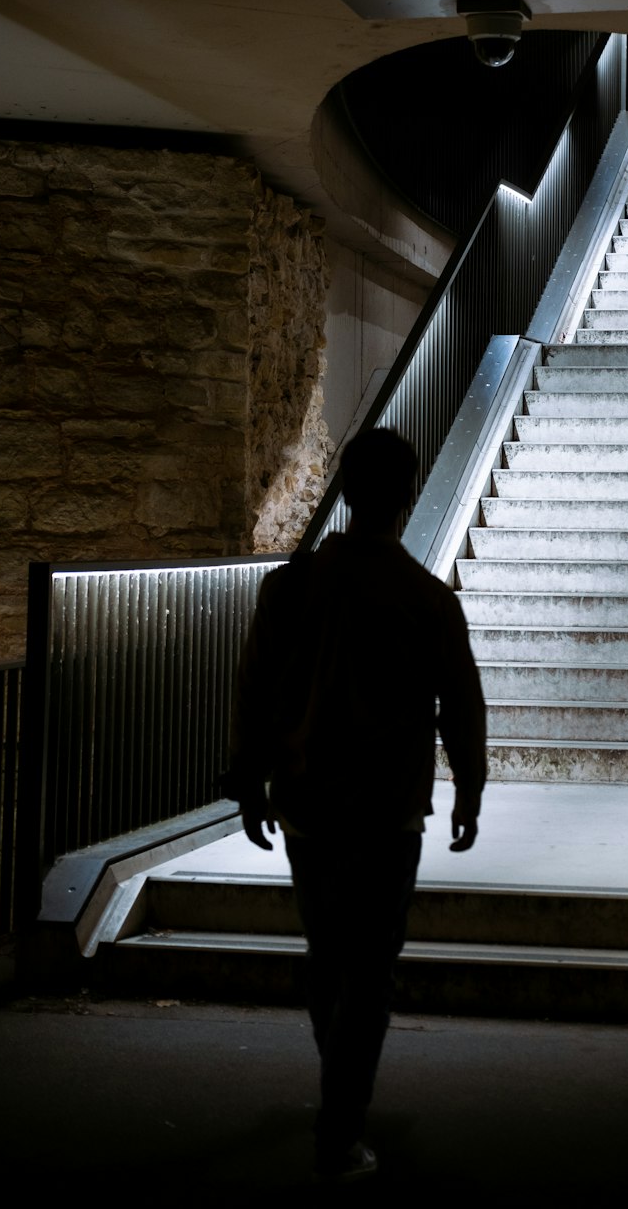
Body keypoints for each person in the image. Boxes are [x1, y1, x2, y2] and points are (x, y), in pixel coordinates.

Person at [227, 427, 487, 1183]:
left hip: (307, 801)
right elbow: (460, 704)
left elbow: (255, 692)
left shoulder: (289, 588)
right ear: (408, 500)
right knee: (371, 969)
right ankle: (340, 1124)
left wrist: (249, 780)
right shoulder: (427, 600)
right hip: (388, 809)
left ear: (344, 494)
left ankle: (337, 1092)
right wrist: (469, 786)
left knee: (328, 954)